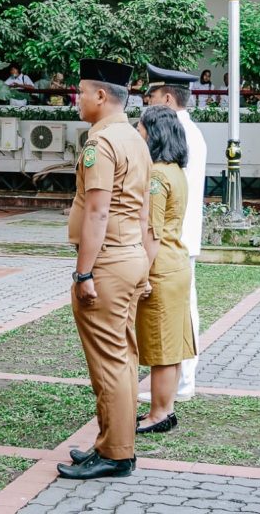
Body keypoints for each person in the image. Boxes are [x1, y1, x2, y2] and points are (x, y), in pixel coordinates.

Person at [58, 58, 153, 480]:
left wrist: (83, 274)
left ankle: (116, 453)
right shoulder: (135, 138)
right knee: (124, 357)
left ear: (100, 95)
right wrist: (145, 266)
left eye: (80, 92)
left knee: (110, 361)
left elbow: (97, 212)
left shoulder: (102, 143)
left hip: (109, 260)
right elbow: (145, 211)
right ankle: (111, 443)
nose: (75, 99)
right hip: (130, 254)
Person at [143, 64, 208, 403]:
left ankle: (181, 384)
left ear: (167, 97)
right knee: (180, 311)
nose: (147, 103)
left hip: (172, 238)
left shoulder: (175, 133)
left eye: (151, 96)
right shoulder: (189, 130)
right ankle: (176, 382)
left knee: (179, 313)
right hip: (179, 237)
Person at [135, 105, 196, 434]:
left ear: (154, 133)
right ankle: (165, 410)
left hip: (160, 267)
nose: (138, 133)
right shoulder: (175, 170)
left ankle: (158, 414)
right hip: (177, 265)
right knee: (170, 346)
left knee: (160, 347)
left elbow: (151, 232)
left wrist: (141, 275)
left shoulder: (157, 175)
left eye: (141, 128)